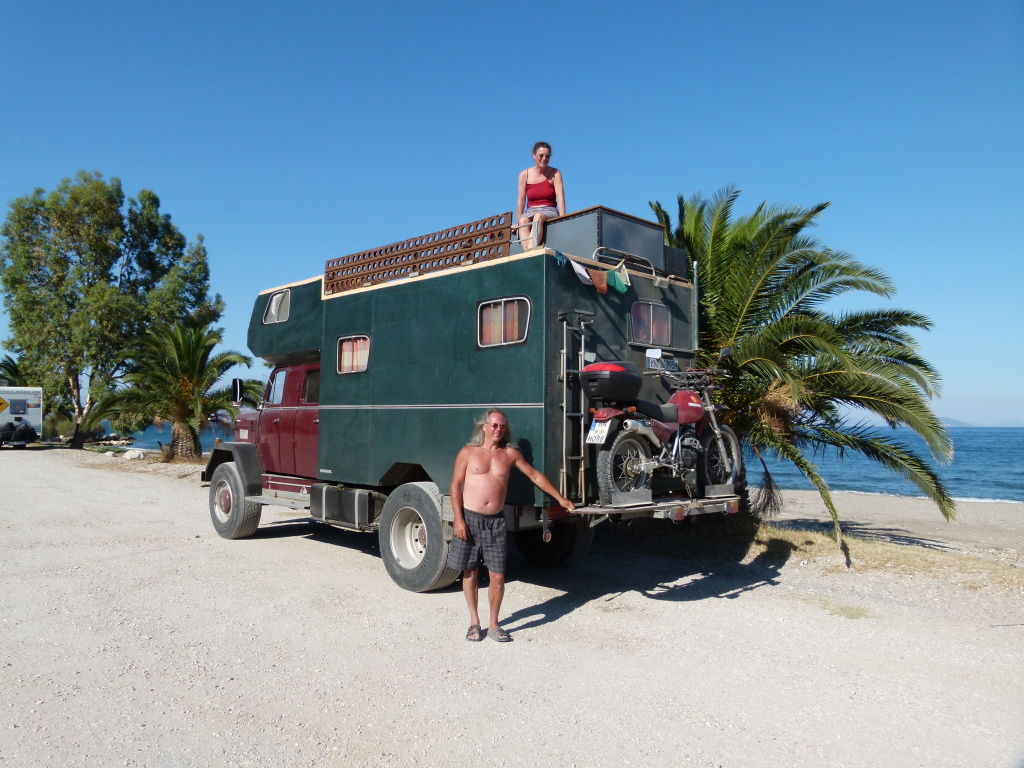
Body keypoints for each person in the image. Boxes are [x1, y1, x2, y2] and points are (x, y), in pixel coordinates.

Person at [448, 409, 575, 642]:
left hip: (496, 521)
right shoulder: (468, 452)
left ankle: (494, 625)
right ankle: (474, 622)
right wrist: (458, 519)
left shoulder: (510, 454)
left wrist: (560, 498)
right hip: (470, 518)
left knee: (497, 576)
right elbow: (455, 486)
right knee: (470, 571)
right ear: (484, 427)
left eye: (502, 426)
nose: (498, 429)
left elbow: (535, 476)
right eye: (494, 425)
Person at [516, 141, 566, 250]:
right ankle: (528, 253)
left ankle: (530, 252)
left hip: (549, 210)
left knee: (538, 216)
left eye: (547, 156)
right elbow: (521, 200)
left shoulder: (555, 173)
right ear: (534, 156)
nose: (544, 159)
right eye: (541, 155)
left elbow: (561, 198)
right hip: (530, 210)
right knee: (523, 221)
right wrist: (517, 222)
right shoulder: (524, 175)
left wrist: (563, 219)